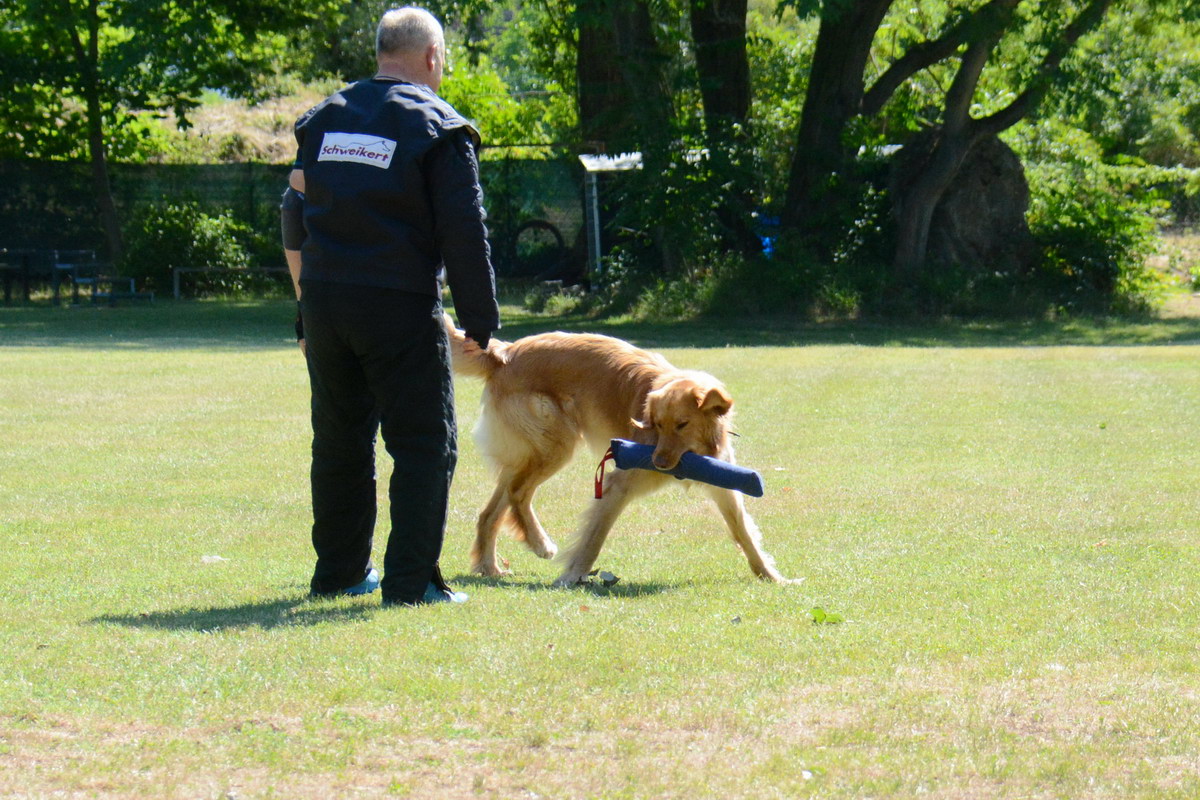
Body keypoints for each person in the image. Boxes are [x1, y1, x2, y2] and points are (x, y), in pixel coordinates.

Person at [281, 6, 499, 606]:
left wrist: (305, 308)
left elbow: (294, 210)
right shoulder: (438, 126)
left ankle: (341, 574)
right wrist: (481, 320)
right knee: (426, 444)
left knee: (340, 441)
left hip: (326, 301)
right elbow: (464, 230)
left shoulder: (323, 120)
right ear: (431, 58)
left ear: (381, 53)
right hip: (397, 305)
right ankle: (411, 583)